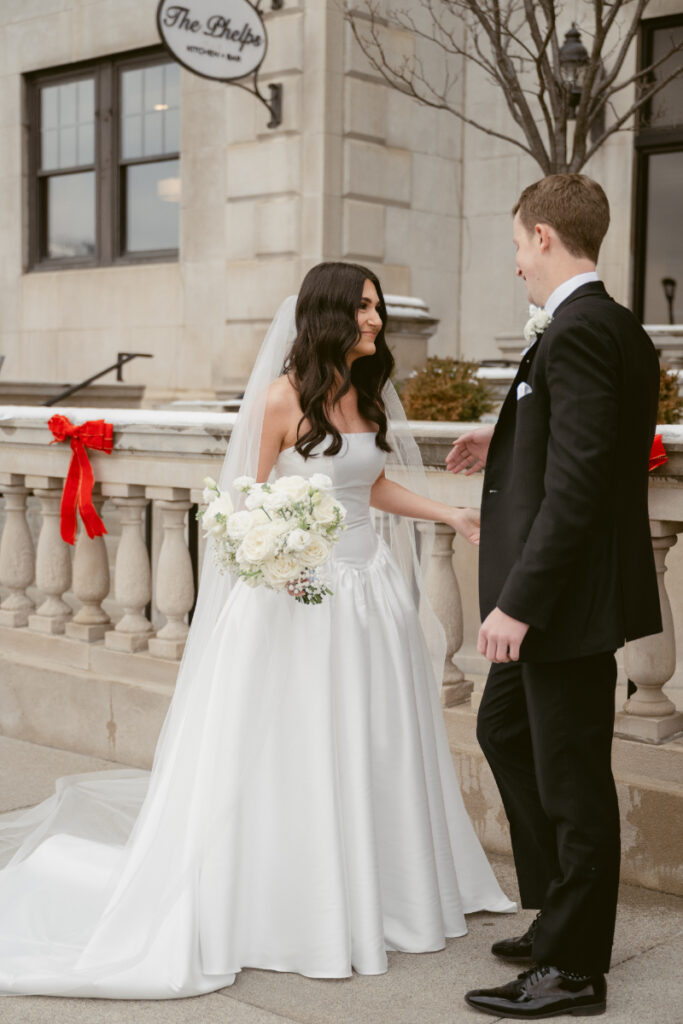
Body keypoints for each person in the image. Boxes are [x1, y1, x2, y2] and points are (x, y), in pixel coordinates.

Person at [0, 261, 514, 999]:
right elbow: (237, 506)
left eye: (377, 309)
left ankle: (380, 889)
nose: (375, 320)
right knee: (299, 745)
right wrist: (282, 568)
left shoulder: (364, 398)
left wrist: (450, 514)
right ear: (330, 315)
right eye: (363, 309)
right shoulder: (281, 400)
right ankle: (296, 902)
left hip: (369, 598)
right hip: (297, 602)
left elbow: (364, 483)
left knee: (369, 739)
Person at [447, 174, 662, 1019]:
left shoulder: (578, 331)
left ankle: (572, 969)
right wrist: (500, 433)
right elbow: (580, 444)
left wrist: (519, 602)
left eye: (513, 246)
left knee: (573, 782)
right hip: (561, 596)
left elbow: (578, 486)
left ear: (542, 237)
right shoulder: (605, 327)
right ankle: (557, 916)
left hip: (561, 603)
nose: (513, 266)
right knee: (503, 730)